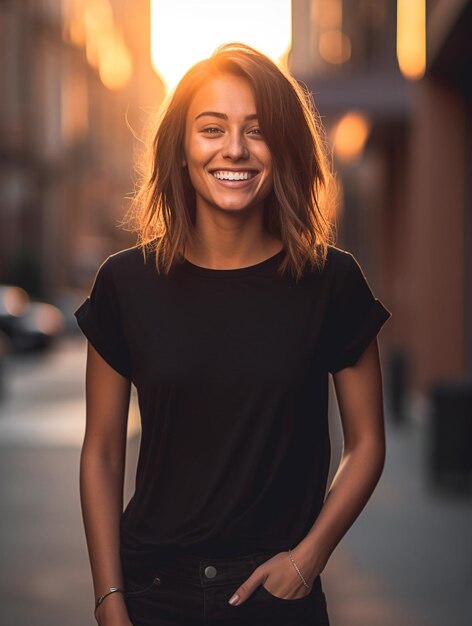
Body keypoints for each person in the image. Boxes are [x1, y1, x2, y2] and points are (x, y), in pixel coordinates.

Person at [74, 42, 392, 626]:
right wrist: (109, 600)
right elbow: (101, 450)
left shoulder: (333, 281)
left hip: (277, 595)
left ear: (285, 146)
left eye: (258, 130)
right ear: (182, 147)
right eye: (212, 128)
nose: (235, 150)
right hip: (152, 593)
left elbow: (366, 442)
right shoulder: (125, 283)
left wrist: (307, 560)